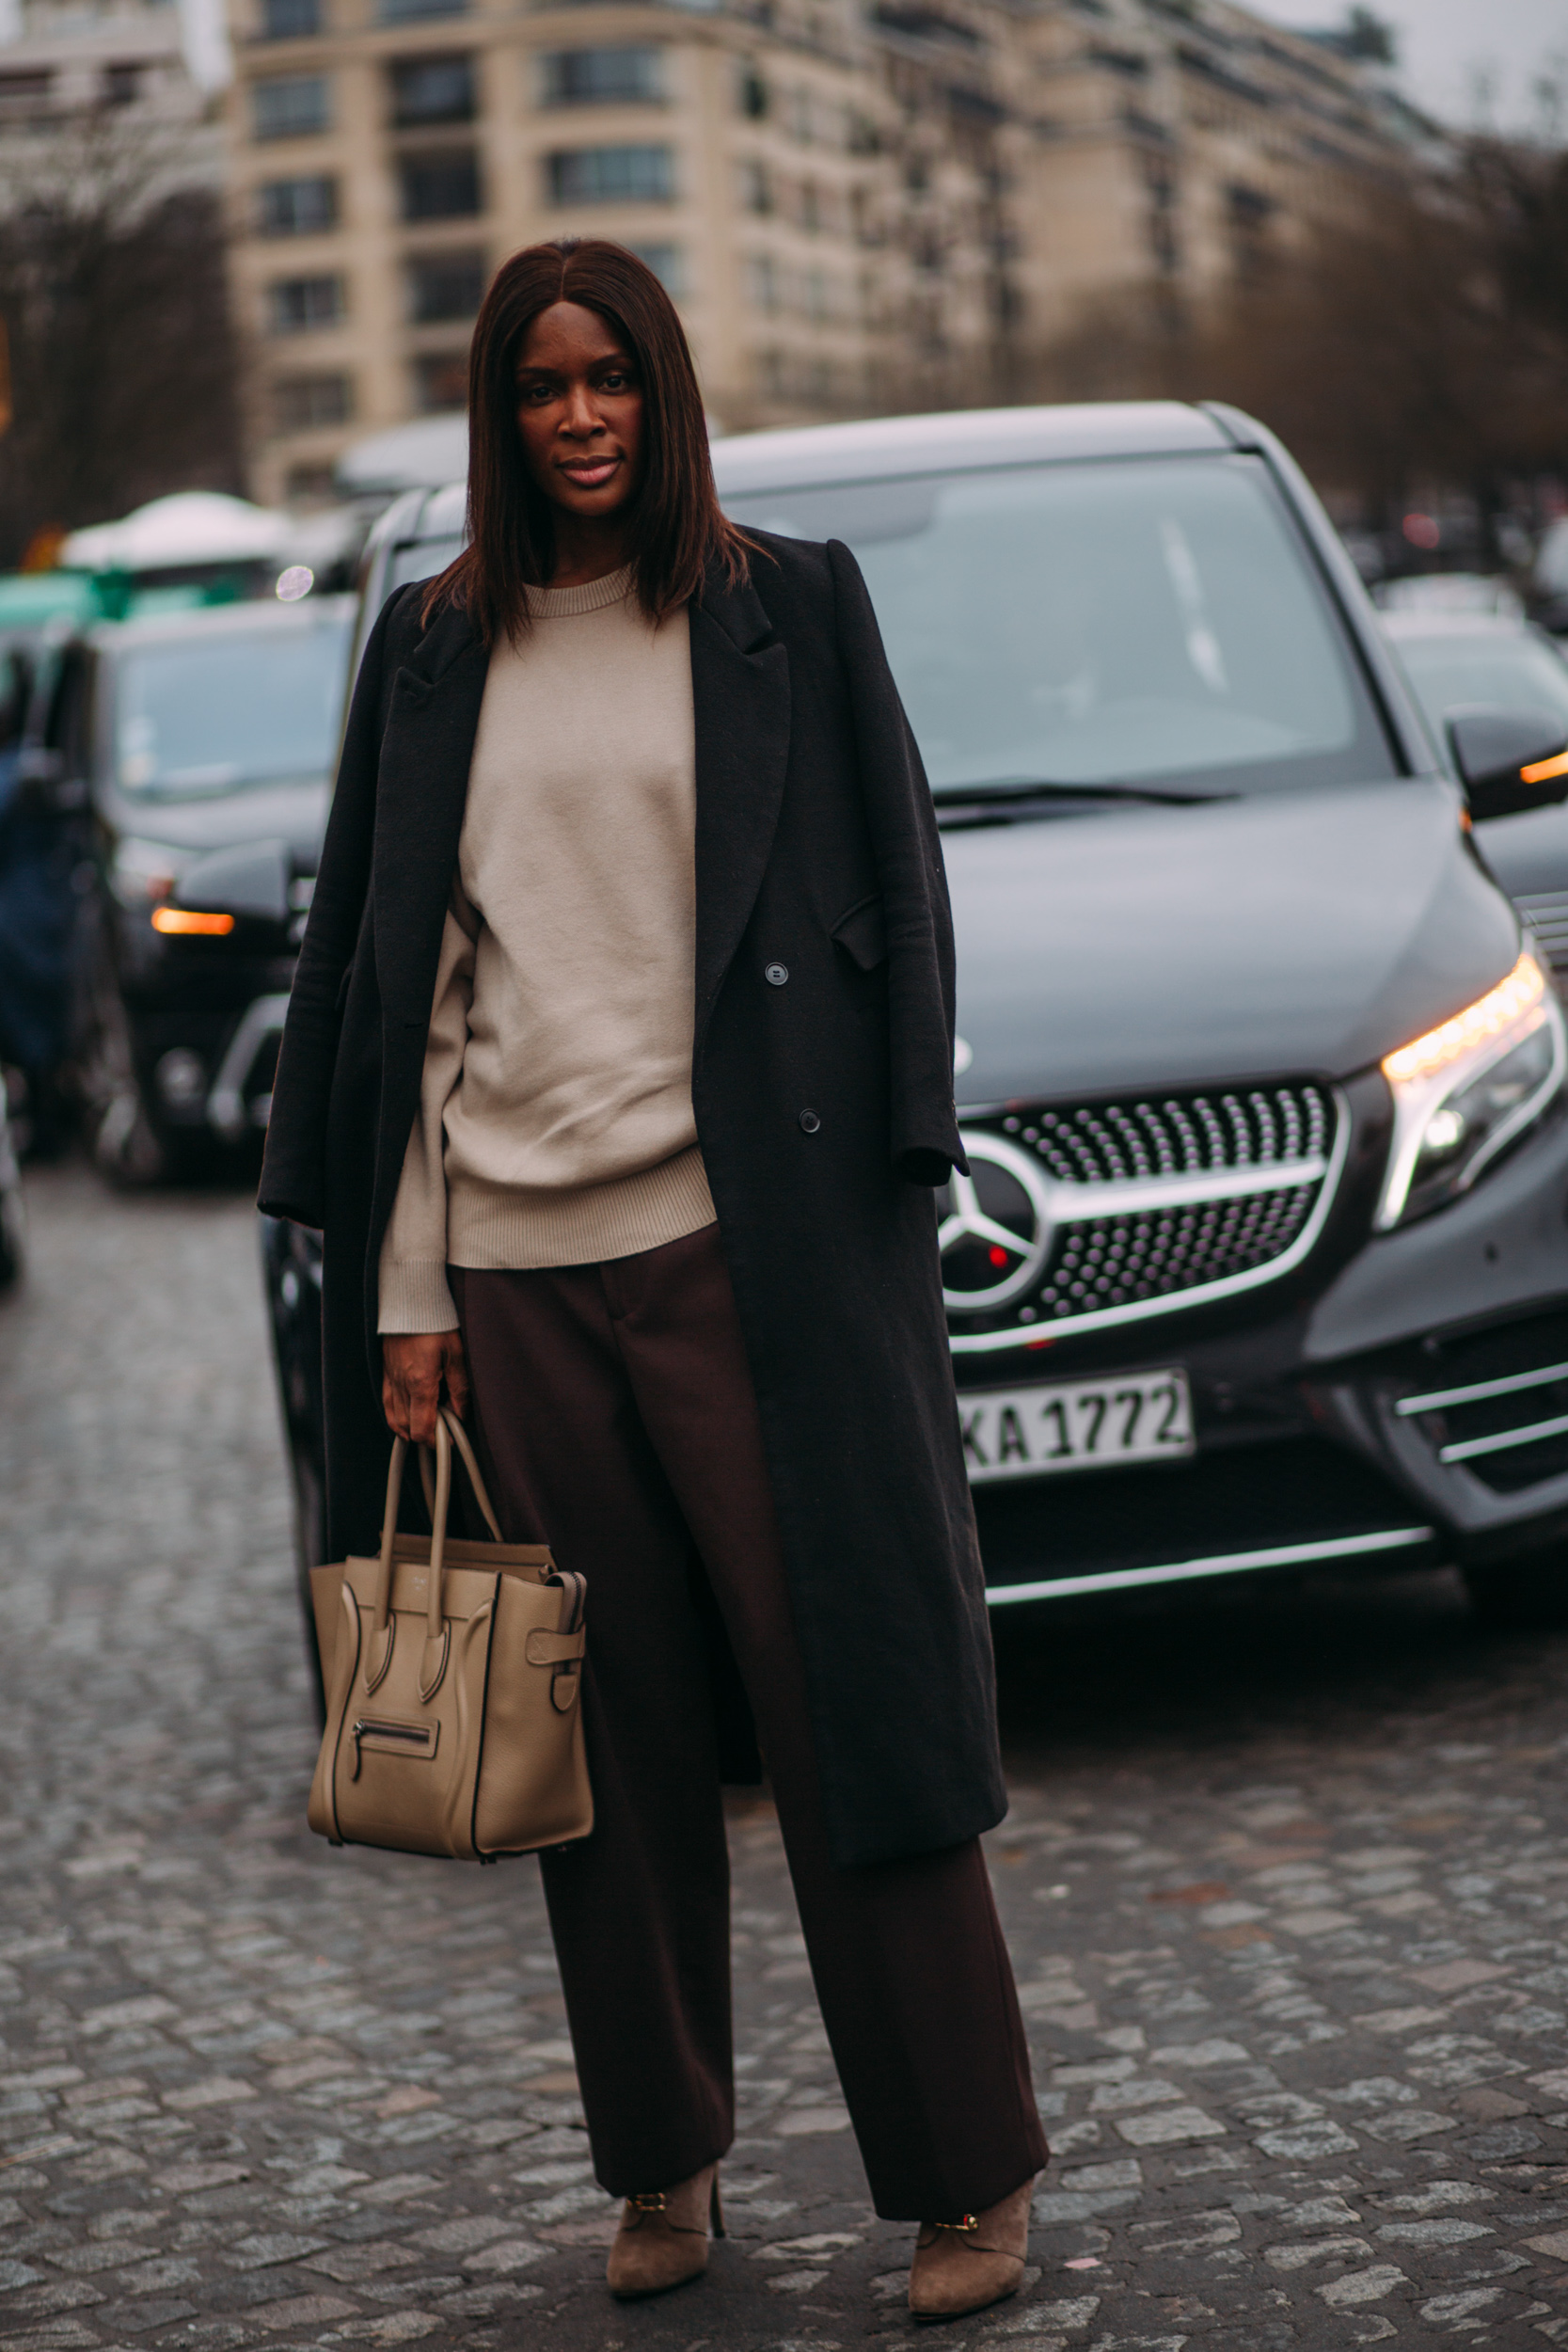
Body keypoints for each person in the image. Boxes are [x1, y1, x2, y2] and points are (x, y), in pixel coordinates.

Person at [259, 237, 1047, 2321]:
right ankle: (664, 2162)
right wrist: (405, 1293)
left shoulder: (786, 604)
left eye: (612, 378)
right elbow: (387, 986)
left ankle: (969, 2173)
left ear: (664, 391)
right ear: (499, 413)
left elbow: (904, 889)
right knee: (599, 1758)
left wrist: (898, 1186)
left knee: (853, 1705)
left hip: (754, 1256)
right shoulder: (434, 650)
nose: (581, 417)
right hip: (518, 1277)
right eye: (542, 386)